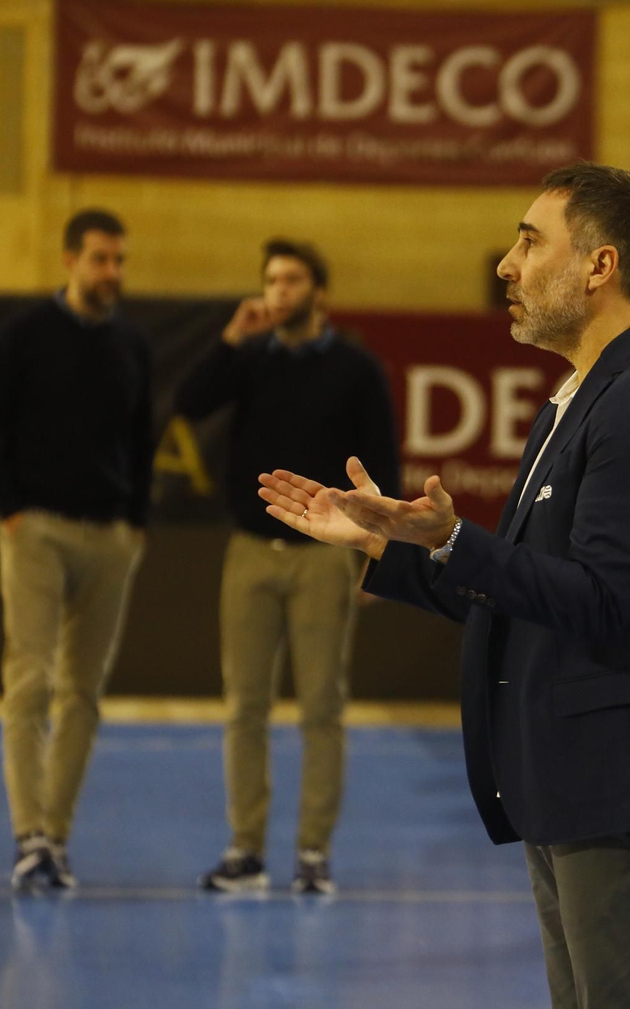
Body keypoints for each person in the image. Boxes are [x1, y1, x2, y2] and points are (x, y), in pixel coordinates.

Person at [257, 163, 630, 1009]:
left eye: (529, 242)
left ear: (600, 266)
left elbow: (597, 598)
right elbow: (522, 587)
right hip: (570, 788)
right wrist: (383, 542)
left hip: (620, 796)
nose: (507, 267)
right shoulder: (579, 397)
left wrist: (451, 537)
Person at [176, 239, 399, 894]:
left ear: (318, 292)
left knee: (321, 709)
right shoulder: (247, 362)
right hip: (249, 551)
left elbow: (380, 462)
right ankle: (245, 849)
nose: (279, 290)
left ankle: (312, 853)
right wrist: (229, 338)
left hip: (325, 558)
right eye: (271, 280)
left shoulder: (358, 370)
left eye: (292, 279)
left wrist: (375, 553)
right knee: (244, 707)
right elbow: (188, 403)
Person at [0, 208, 153, 891]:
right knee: (32, 680)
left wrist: (134, 524)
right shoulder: (23, 336)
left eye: (120, 260)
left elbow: (144, 438)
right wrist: (12, 510)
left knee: (83, 694)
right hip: (36, 529)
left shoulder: (132, 346)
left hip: (108, 537)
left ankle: (56, 836)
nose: (112, 273)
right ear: (69, 261)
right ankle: (27, 833)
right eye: (101, 259)